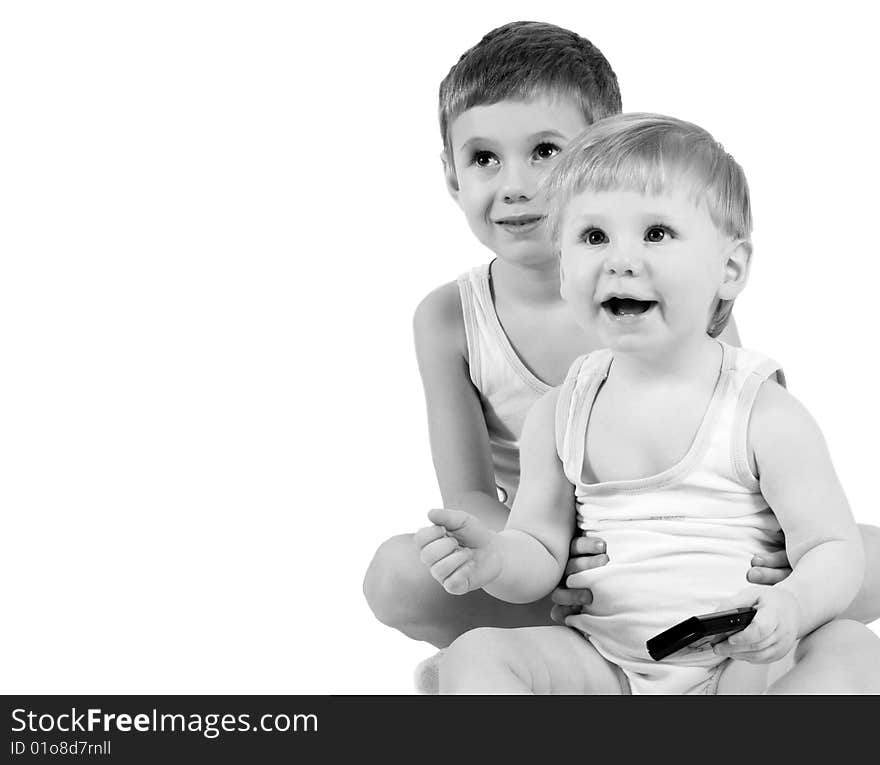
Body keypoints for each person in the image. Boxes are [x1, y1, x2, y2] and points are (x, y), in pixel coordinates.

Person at [361, 20, 880, 685]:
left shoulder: (688, 305)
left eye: (545, 151)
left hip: (716, 571)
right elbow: (472, 496)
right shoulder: (468, 333)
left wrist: (792, 580)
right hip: (569, 568)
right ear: (451, 174)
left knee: (850, 563)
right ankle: (531, 654)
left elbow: (747, 450)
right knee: (404, 576)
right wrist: (527, 564)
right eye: (485, 158)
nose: (518, 185)